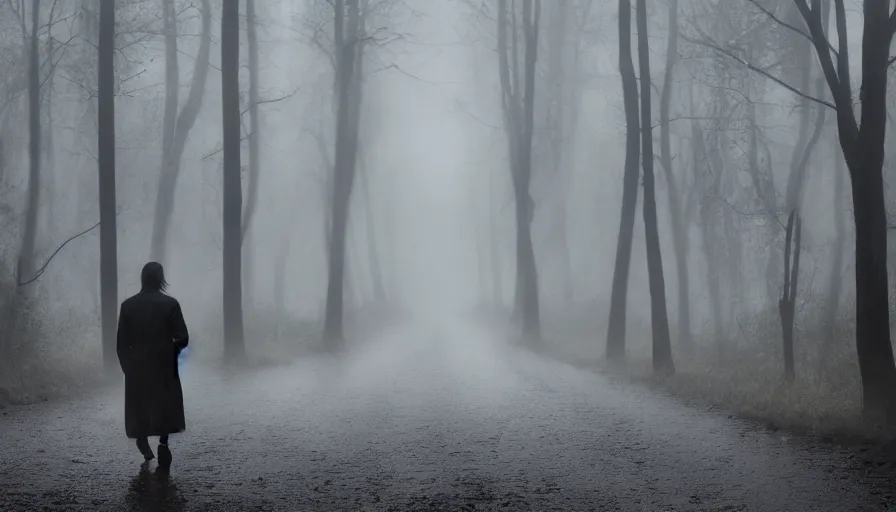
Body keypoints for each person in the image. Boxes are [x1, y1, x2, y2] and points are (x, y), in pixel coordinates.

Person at [117, 262, 189, 469]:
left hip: (137, 365)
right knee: (164, 404)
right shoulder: (170, 304)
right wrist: (171, 351)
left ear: (142, 278)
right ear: (160, 279)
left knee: (140, 404)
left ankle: (142, 439)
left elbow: (122, 343)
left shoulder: (127, 306)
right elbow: (182, 337)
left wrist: (127, 367)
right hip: (163, 365)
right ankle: (163, 442)